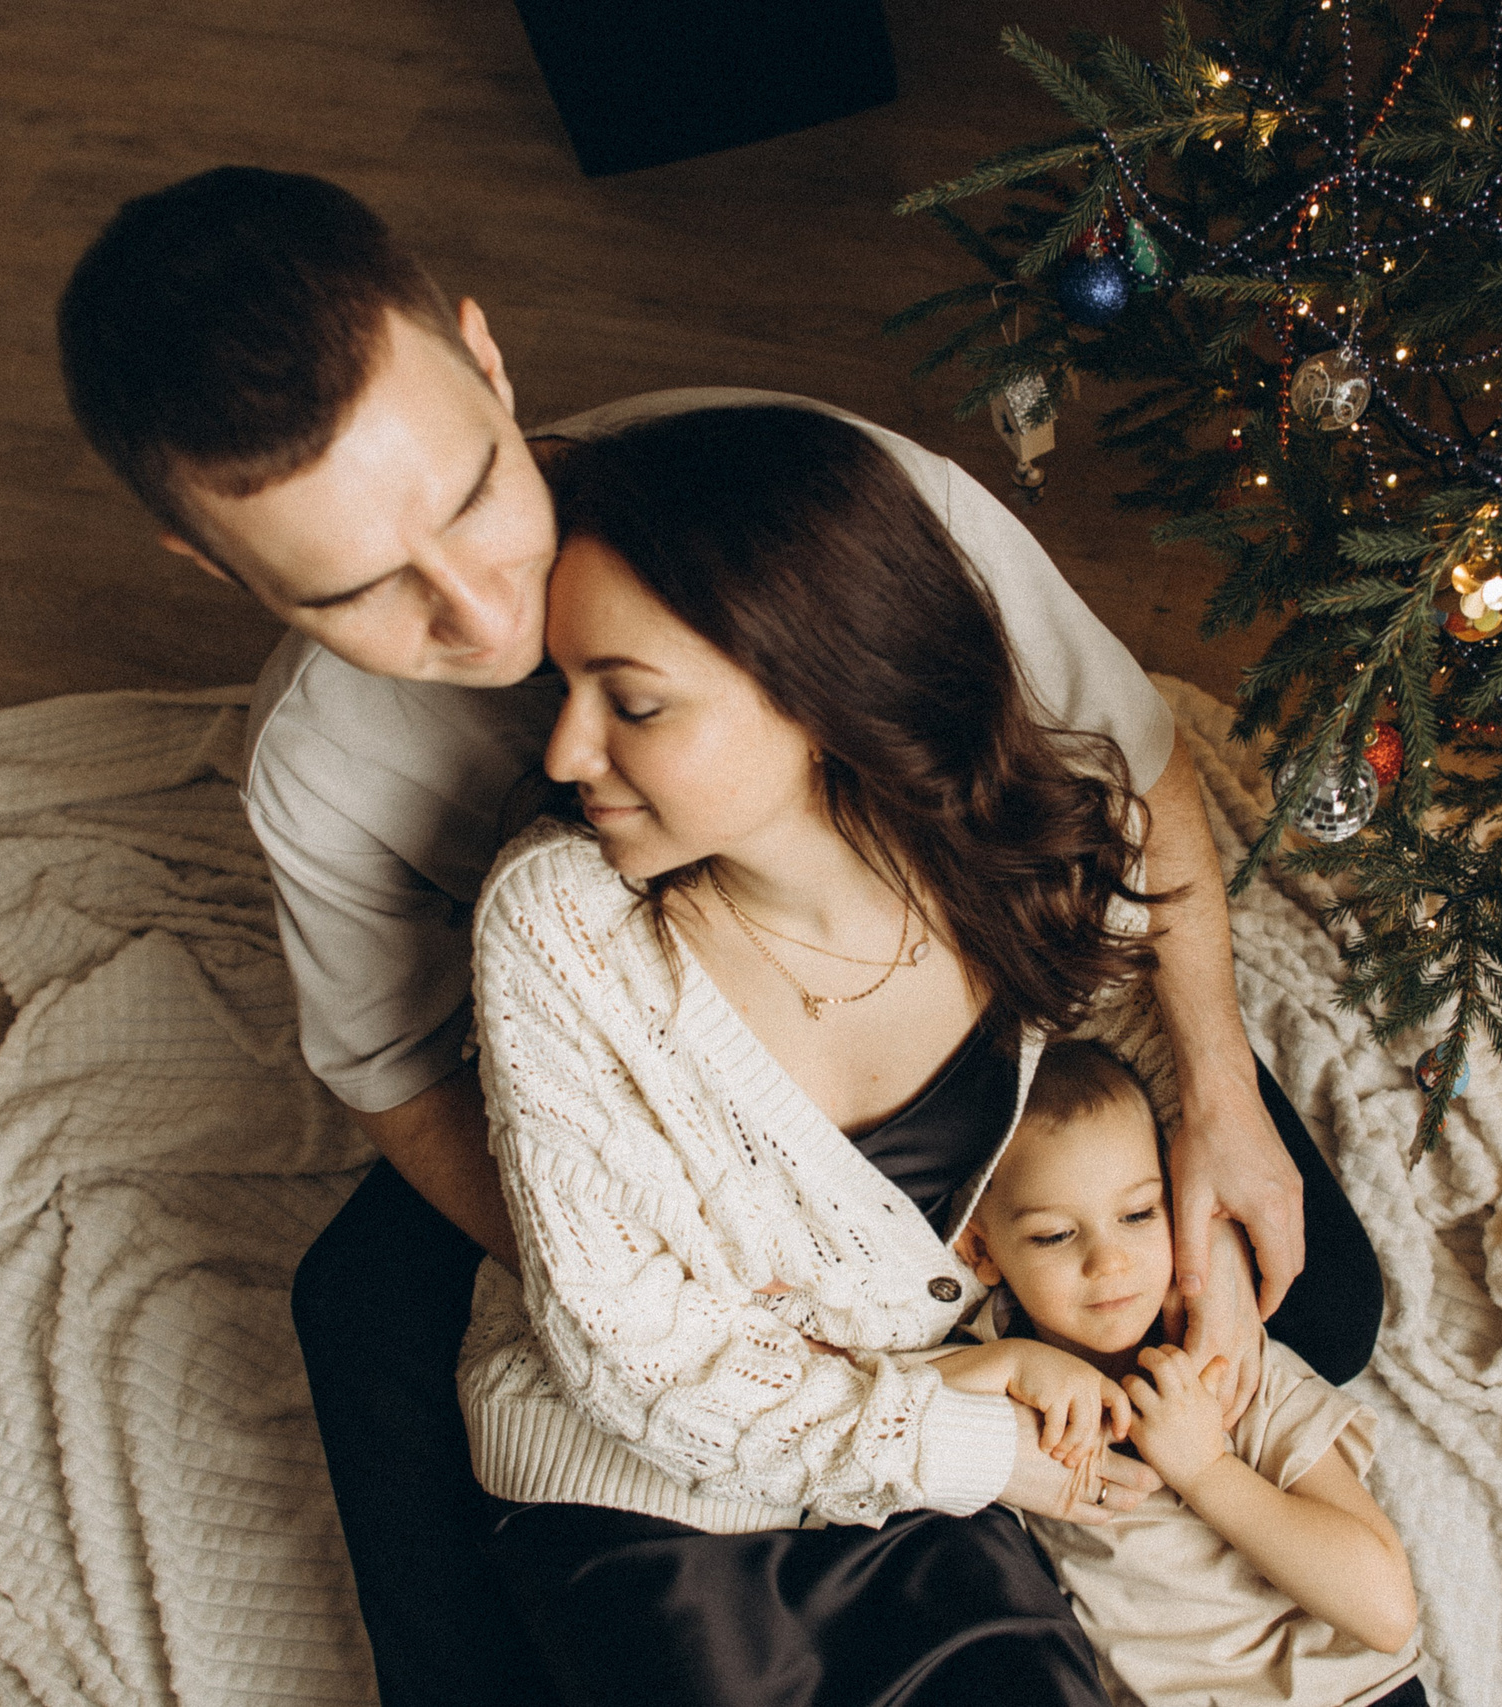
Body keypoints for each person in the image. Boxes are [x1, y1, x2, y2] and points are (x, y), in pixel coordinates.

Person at [53, 166, 1385, 1704]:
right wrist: (687, 1300)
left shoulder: (826, 511)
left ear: (487, 361)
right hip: (610, 1095)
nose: (481, 608)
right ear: (220, 570)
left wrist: (1216, 1093)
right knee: (392, 1352)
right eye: (362, 588)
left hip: (891, 1033)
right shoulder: (343, 778)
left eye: (472, 496)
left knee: (1316, 1301)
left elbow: (1130, 779)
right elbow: (395, 1071)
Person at [458, 402, 1389, 1706]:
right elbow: (641, 1365)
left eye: (636, 701)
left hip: (945, 1454)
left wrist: (1205, 1254)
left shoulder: (997, 837)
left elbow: (1127, 1011)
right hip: (660, 1502)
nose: (566, 750)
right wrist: (972, 1436)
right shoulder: (565, 927)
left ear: (818, 688)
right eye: (565, 690)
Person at [945, 1040, 1425, 1707]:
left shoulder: (1230, 1372)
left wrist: (1208, 1469)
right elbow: (886, 1412)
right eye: (1055, 1234)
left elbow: (1387, 1612)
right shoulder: (994, 1375)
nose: (1109, 1262)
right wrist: (1009, 1362)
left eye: (1139, 1214)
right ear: (981, 1249)